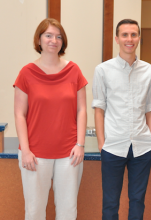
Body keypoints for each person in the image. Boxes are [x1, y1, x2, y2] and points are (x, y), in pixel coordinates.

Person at [14, 18, 87, 220]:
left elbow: (82, 110)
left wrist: (80, 144)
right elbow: (19, 114)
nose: (54, 40)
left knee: (68, 211)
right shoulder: (26, 73)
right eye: (48, 35)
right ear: (39, 40)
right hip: (35, 155)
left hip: (69, 154)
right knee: (34, 211)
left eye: (58, 36)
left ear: (63, 42)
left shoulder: (74, 71)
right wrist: (26, 150)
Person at [92, 19, 151, 220]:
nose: (130, 39)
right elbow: (99, 108)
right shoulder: (102, 70)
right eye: (125, 35)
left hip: (142, 146)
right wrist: (102, 144)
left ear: (139, 38)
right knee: (110, 203)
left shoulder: (149, 71)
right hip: (113, 146)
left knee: (137, 200)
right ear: (117, 39)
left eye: (134, 34)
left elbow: (150, 108)